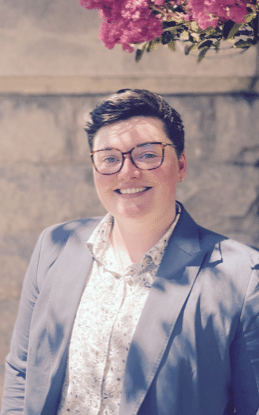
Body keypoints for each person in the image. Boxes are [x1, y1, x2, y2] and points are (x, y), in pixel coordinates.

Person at [1, 89, 259, 415]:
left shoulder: (242, 276)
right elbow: (22, 373)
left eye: (148, 154)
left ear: (180, 165)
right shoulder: (54, 246)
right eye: (109, 157)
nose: (127, 172)